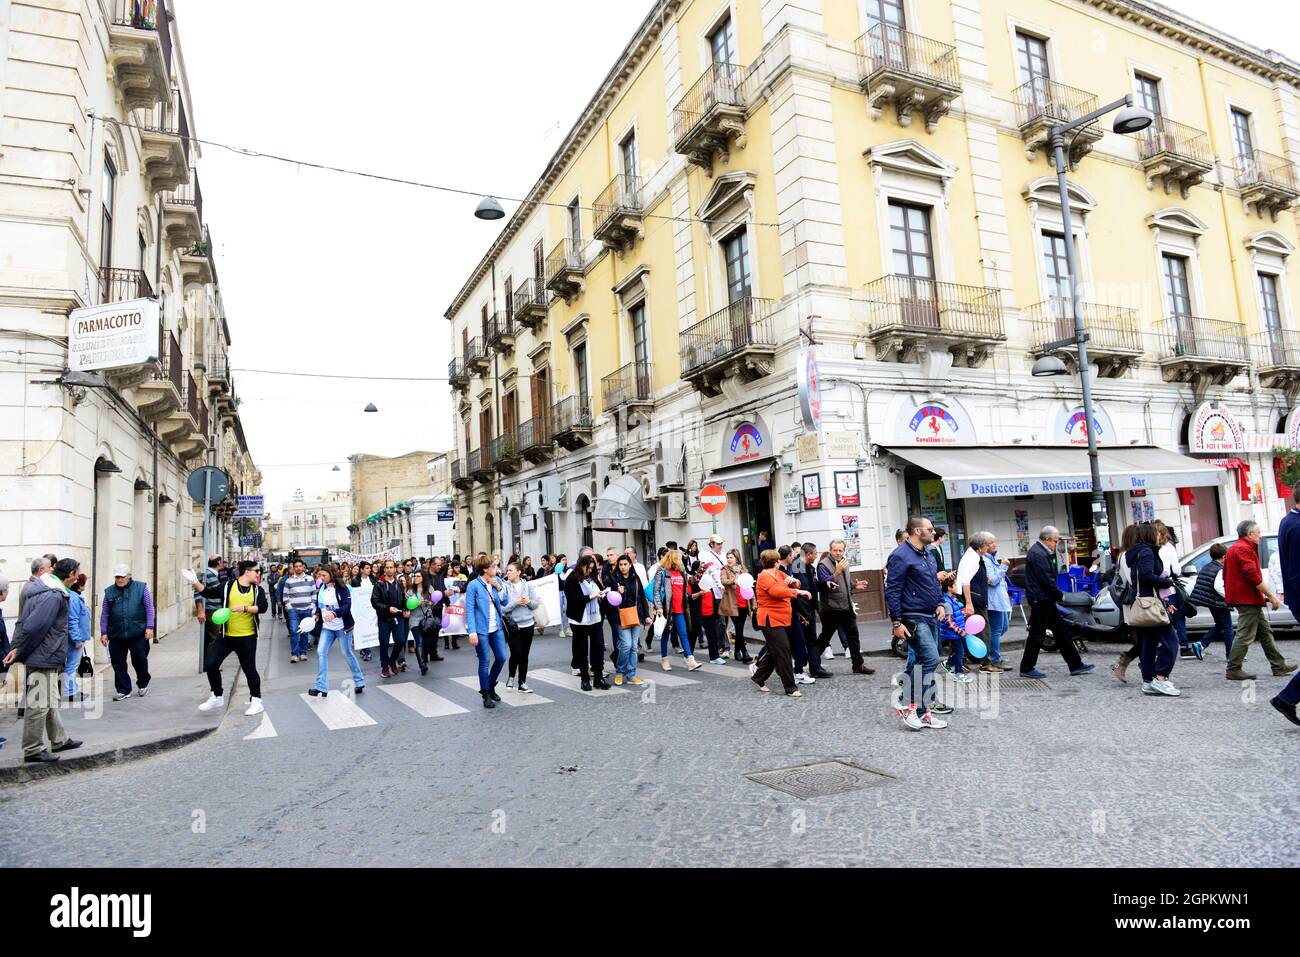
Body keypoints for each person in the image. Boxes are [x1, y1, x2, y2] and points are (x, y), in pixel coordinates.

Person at [3, 557, 83, 762]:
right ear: (72, 574)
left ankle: (59, 739)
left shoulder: (40, 589)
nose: (78, 577)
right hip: (44, 656)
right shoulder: (53, 595)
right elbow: (35, 627)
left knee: (50, 701)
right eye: (77, 573)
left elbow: (22, 622)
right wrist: (19, 651)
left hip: (46, 655)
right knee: (38, 704)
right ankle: (32, 749)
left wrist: (16, 648)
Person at [886, 517, 951, 730]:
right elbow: (893, 590)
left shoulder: (928, 554)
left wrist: (940, 602)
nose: (933, 533)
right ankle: (906, 704)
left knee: (923, 663)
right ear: (916, 531)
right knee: (931, 659)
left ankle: (923, 713)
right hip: (912, 616)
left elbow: (932, 582)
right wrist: (896, 622)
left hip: (931, 614)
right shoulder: (900, 556)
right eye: (929, 529)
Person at [1223, 520, 1296, 681]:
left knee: (1265, 632)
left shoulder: (1237, 548)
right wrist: (1271, 595)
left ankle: (1279, 665)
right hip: (1246, 598)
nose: (1260, 536)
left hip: (1247, 597)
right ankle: (1233, 668)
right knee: (1245, 634)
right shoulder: (1243, 549)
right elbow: (1253, 577)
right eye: (1259, 533)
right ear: (1250, 534)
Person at [1018, 526, 1092, 678]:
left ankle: (1075, 664)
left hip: (1045, 598)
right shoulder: (1038, 553)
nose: (1056, 544)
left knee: (1061, 632)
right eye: (1055, 541)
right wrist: (1060, 595)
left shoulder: (1040, 552)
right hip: (1041, 599)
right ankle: (1026, 667)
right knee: (1037, 635)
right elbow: (1046, 580)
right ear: (1046, 539)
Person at [197, 560, 268, 716]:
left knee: (249, 669)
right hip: (227, 637)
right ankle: (217, 696)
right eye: (256, 571)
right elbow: (207, 592)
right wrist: (194, 582)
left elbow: (263, 607)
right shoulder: (228, 586)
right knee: (211, 663)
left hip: (247, 637)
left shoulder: (257, 590)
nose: (258, 574)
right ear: (247, 572)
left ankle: (256, 700)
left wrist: (244, 608)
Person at [1122, 523, 1181, 696]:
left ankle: (1148, 680)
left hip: (1143, 602)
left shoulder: (1136, 551)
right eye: (1156, 533)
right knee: (1171, 642)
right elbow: (1146, 576)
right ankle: (1161, 678)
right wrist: (1167, 581)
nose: (1159, 536)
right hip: (1150, 603)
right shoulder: (1147, 551)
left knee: (1148, 643)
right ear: (1149, 535)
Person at [751, 549, 809, 698]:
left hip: (782, 618)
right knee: (783, 650)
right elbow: (777, 591)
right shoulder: (764, 577)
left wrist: (794, 582)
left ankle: (758, 677)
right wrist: (798, 592)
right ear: (776, 562)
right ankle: (790, 687)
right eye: (778, 561)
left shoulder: (778, 574)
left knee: (774, 650)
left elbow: (795, 583)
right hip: (769, 619)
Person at [816, 540, 875, 675]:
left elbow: (845, 583)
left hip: (846, 606)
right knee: (825, 637)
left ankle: (858, 665)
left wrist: (854, 586)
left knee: (853, 635)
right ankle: (812, 663)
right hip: (831, 608)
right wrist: (837, 571)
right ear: (830, 550)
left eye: (840, 550)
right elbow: (826, 584)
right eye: (835, 550)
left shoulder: (844, 561)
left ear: (844, 551)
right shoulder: (823, 565)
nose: (838, 553)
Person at [98, 564, 154, 701]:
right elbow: (105, 613)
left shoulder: (141, 588)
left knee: (140, 659)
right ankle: (123, 689)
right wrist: (104, 632)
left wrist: (150, 627)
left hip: (137, 632)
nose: (120, 580)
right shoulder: (109, 592)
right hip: (116, 633)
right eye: (117, 577)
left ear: (129, 576)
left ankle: (143, 683)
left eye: (122, 577)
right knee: (118, 662)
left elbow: (149, 608)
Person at [311, 564, 365, 698]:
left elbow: (347, 606)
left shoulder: (342, 588)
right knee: (320, 652)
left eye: (324, 575)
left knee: (346, 653)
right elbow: (321, 606)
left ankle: (359, 681)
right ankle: (321, 687)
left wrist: (335, 614)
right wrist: (317, 614)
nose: (321, 578)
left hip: (343, 627)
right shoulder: (322, 588)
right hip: (327, 628)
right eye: (320, 575)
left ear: (331, 574)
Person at [466, 555, 510, 708]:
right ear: (485, 569)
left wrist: (498, 587)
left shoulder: (497, 581)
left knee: (501, 657)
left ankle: (490, 685)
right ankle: (486, 694)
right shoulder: (473, 585)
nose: (496, 569)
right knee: (484, 661)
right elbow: (470, 610)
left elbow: (505, 601)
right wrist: (472, 632)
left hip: (496, 627)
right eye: (493, 567)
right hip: (481, 629)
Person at [564, 554, 610, 691]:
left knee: (598, 647)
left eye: (592, 568)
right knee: (582, 650)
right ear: (581, 566)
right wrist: (591, 596)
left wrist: (602, 593)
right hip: (579, 620)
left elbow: (599, 589)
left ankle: (598, 677)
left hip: (595, 618)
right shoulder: (572, 578)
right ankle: (585, 679)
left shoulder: (593, 577)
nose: (589, 571)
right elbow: (573, 598)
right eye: (587, 568)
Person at [651, 549, 700, 672]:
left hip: (680, 609)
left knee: (683, 633)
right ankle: (664, 659)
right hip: (666, 609)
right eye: (677, 558)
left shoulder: (681, 572)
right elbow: (656, 591)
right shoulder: (662, 572)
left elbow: (683, 591)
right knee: (665, 634)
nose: (679, 560)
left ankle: (690, 660)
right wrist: (659, 607)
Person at [608, 555, 649, 686]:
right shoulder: (614, 580)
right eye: (620, 565)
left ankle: (631, 674)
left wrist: (647, 615)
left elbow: (642, 597)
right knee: (626, 645)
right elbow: (610, 600)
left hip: (635, 614)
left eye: (625, 564)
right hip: (620, 616)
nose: (623, 567)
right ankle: (620, 672)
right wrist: (619, 593)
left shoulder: (635, 578)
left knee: (633, 647)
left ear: (630, 565)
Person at [955, 532, 994, 663]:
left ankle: (974, 658)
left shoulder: (971, 556)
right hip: (975, 599)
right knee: (982, 629)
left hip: (974, 597)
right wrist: (969, 603)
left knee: (975, 630)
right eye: (987, 545)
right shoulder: (972, 559)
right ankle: (984, 661)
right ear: (981, 547)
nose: (988, 548)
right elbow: (966, 582)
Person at [1189, 543, 1232, 658]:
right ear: (1224, 557)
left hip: (1211, 602)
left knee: (1220, 625)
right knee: (1228, 627)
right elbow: (1218, 587)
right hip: (1219, 602)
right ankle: (1231, 655)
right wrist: (1229, 597)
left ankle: (1201, 644)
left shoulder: (1207, 567)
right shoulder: (1220, 569)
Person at [502, 561, 538, 692]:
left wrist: (528, 602)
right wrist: (515, 603)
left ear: (518, 572)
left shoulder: (528, 586)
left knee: (525, 655)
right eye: (507, 570)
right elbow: (502, 609)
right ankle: (511, 677)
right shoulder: (505, 587)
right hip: (513, 626)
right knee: (516, 653)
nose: (508, 573)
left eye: (510, 570)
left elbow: (535, 604)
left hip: (528, 624)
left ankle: (522, 682)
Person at [371, 559, 409, 678]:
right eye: (387, 567)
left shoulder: (399, 583)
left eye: (391, 567)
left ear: (395, 568)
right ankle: (385, 667)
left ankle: (392, 661)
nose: (389, 569)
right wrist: (387, 608)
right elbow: (374, 602)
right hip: (384, 619)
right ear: (384, 569)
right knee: (384, 643)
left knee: (400, 641)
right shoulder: (379, 584)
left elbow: (403, 599)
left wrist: (406, 608)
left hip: (398, 617)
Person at [981, 537, 1011, 674]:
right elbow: (992, 581)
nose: (994, 544)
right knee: (996, 630)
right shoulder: (985, 560)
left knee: (1003, 628)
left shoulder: (992, 557)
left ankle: (994, 656)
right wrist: (1004, 566)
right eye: (991, 542)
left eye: (994, 541)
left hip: (1000, 600)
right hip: (993, 601)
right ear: (984, 546)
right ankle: (995, 659)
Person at [719, 549, 753, 665]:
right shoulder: (725, 569)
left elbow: (749, 585)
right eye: (728, 557)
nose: (728, 559)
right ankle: (745, 653)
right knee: (738, 627)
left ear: (737, 558)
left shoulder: (743, 569)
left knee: (740, 629)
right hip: (732, 603)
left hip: (743, 601)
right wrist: (735, 580)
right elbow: (723, 581)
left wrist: (754, 603)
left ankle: (737, 652)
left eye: (731, 557)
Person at [281, 559, 315, 664]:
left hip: (307, 610)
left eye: (300, 566)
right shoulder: (289, 581)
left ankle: (303, 653)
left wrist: (312, 606)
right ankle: (294, 654)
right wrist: (289, 606)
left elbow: (314, 593)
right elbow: (285, 595)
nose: (298, 568)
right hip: (294, 611)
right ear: (293, 568)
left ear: (303, 567)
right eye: (296, 566)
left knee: (304, 632)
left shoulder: (310, 579)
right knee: (294, 632)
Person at [64, 573, 90, 701]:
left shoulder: (74, 597)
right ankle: (70, 692)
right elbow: (72, 620)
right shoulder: (74, 599)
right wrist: (77, 639)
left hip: (77, 637)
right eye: (83, 584)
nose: (84, 587)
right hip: (75, 639)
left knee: (72, 665)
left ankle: (72, 690)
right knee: (72, 665)